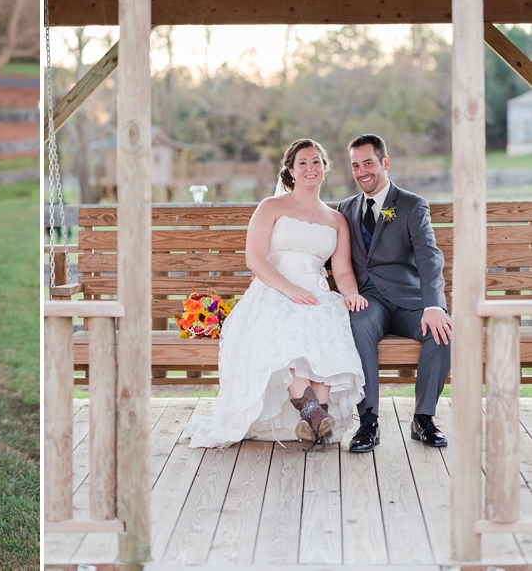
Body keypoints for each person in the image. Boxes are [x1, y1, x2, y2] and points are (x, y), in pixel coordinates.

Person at [182, 139, 366, 451]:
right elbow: (255, 259)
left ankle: (314, 417)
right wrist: (289, 288)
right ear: (291, 171)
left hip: (317, 291)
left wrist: (350, 294)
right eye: (303, 162)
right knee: (284, 325)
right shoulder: (271, 207)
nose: (311, 168)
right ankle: (313, 415)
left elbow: (343, 271)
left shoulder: (336, 220)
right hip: (274, 286)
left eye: (317, 161)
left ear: (325, 169)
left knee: (328, 327)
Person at [341, 134, 453, 453]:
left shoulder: (411, 205)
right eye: (355, 165)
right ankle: (368, 421)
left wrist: (434, 306)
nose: (362, 171)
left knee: (442, 330)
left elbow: (430, 258)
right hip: (369, 301)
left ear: (384, 163)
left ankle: (424, 419)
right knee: (358, 325)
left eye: (368, 163)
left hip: (409, 302)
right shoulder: (345, 208)